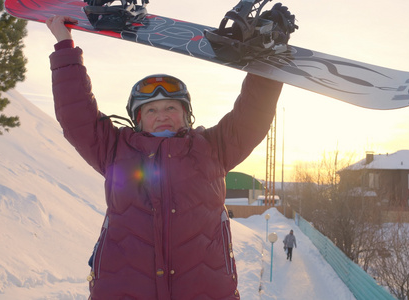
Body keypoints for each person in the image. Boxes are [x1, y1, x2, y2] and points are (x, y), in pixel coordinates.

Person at [46, 15, 283, 300]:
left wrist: (266, 63)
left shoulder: (213, 148)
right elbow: (77, 115)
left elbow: (251, 116)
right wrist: (64, 47)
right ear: (138, 119)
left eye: (171, 107)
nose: (162, 116)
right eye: (151, 111)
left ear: (186, 114)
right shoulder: (114, 149)